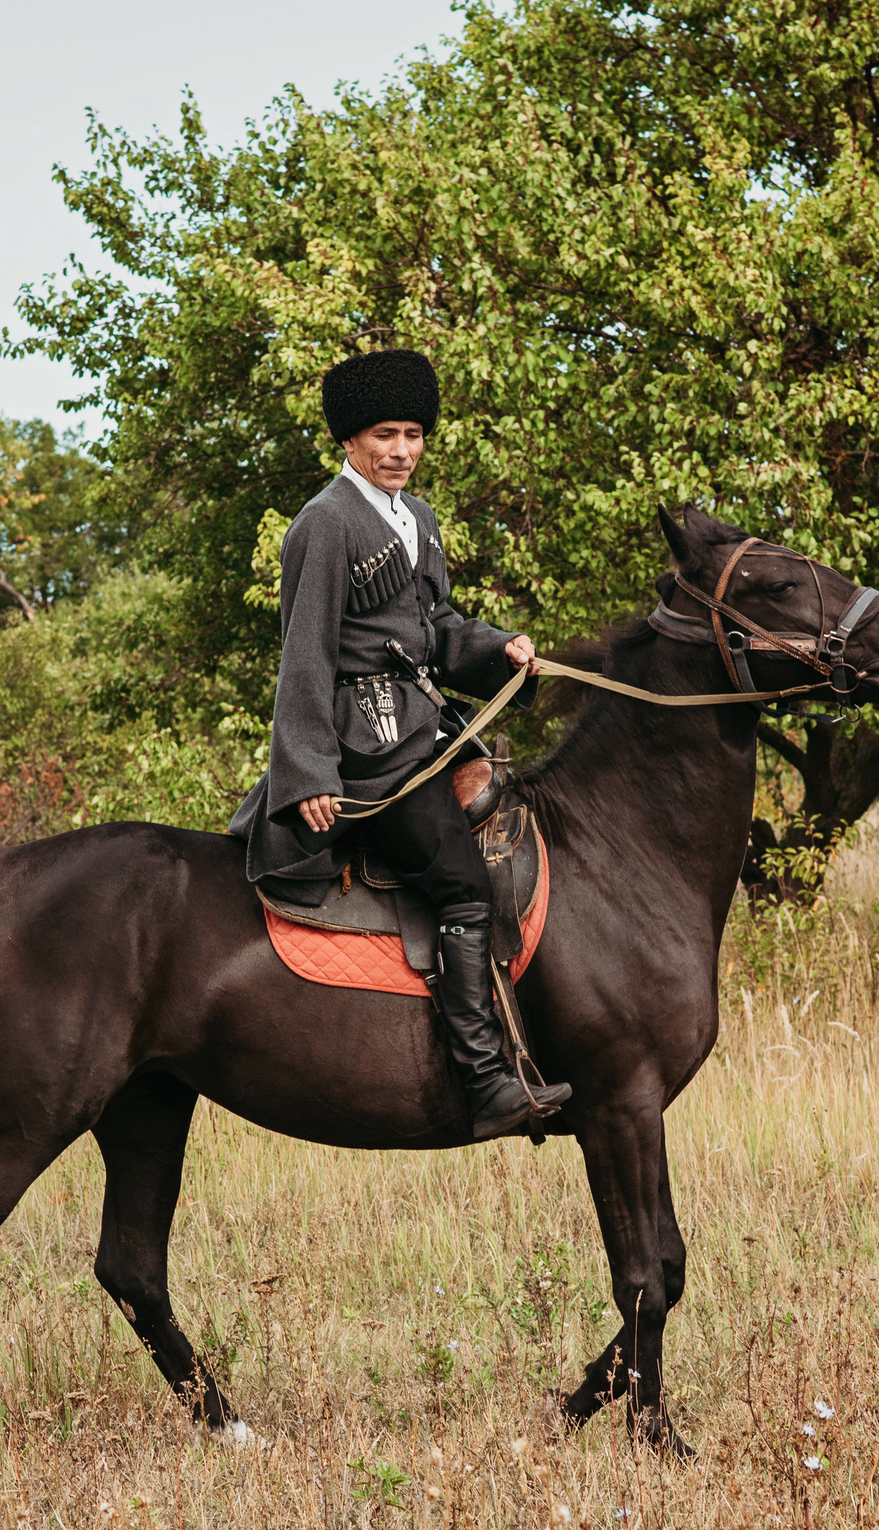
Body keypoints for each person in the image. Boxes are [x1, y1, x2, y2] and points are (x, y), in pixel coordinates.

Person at [228, 348, 572, 1141]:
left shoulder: (417, 519)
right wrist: (310, 769)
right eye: (385, 433)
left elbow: (435, 630)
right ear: (349, 440)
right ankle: (486, 1080)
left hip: (425, 733)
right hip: (367, 756)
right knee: (460, 885)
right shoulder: (324, 523)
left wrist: (498, 649)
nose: (401, 450)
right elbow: (304, 654)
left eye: (413, 433)